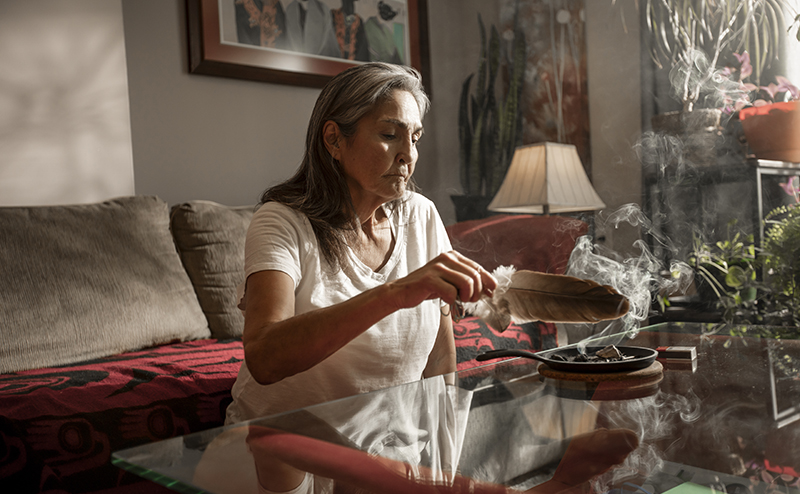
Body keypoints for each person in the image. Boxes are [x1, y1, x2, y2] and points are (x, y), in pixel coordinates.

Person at [225, 62, 498, 426]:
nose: (408, 155)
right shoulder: (281, 221)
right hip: (280, 452)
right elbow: (264, 356)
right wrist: (394, 294)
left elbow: (439, 359)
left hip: (389, 454)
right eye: (389, 134)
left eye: (415, 138)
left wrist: (442, 457)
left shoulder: (422, 216)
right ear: (334, 139)